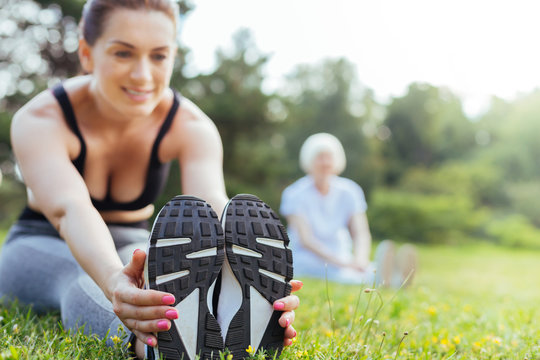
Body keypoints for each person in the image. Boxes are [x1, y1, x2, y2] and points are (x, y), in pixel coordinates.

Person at [0, 1, 300, 359]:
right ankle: (151, 345)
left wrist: (241, 268)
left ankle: (227, 322)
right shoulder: (40, 118)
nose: (143, 75)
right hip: (41, 243)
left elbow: (213, 205)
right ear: (86, 53)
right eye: (123, 54)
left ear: (173, 55)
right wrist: (114, 281)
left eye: (158, 57)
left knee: (154, 287)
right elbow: (70, 209)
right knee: (83, 280)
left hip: (133, 242)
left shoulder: (191, 126)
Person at [280, 133, 417, 286]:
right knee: (345, 276)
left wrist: (360, 259)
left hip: (342, 255)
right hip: (308, 258)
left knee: (365, 269)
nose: (325, 163)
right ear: (309, 161)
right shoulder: (294, 194)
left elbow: (361, 232)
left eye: (329, 157)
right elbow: (306, 241)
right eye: (320, 157)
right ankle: (389, 280)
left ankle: (395, 276)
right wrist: (342, 263)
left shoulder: (350, 190)